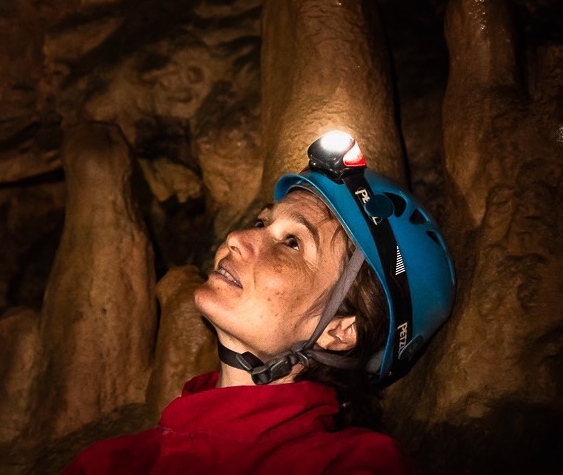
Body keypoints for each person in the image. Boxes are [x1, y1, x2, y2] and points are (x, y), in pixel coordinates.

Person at [63, 131, 455, 474]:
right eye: (261, 223)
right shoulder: (111, 463)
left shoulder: (354, 466)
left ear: (339, 330)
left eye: (292, 243)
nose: (237, 238)